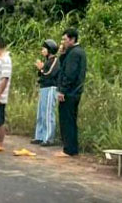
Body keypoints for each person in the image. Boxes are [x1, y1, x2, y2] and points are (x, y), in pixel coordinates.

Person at [56, 28, 86, 157]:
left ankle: (68, 149)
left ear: (72, 39)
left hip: (70, 92)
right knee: (70, 120)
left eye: (65, 39)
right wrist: (62, 53)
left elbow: (70, 73)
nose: (63, 42)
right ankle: (71, 148)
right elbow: (63, 66)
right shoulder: (76, 52)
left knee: (67, 120)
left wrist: (63, 90)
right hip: (75, 91)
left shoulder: (74, 53)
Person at [32, 39, 60, 146]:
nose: (42, 50)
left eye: (44, 48)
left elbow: (49, 73)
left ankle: (48, 138)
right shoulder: (48, 61)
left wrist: (41, 69)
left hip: (51, 88)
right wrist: (41, 70)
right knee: (41, 112)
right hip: (44, 88)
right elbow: (42, 75)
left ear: (50, 50)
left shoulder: (55, 61)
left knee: (48, 113)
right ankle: (39, 136)